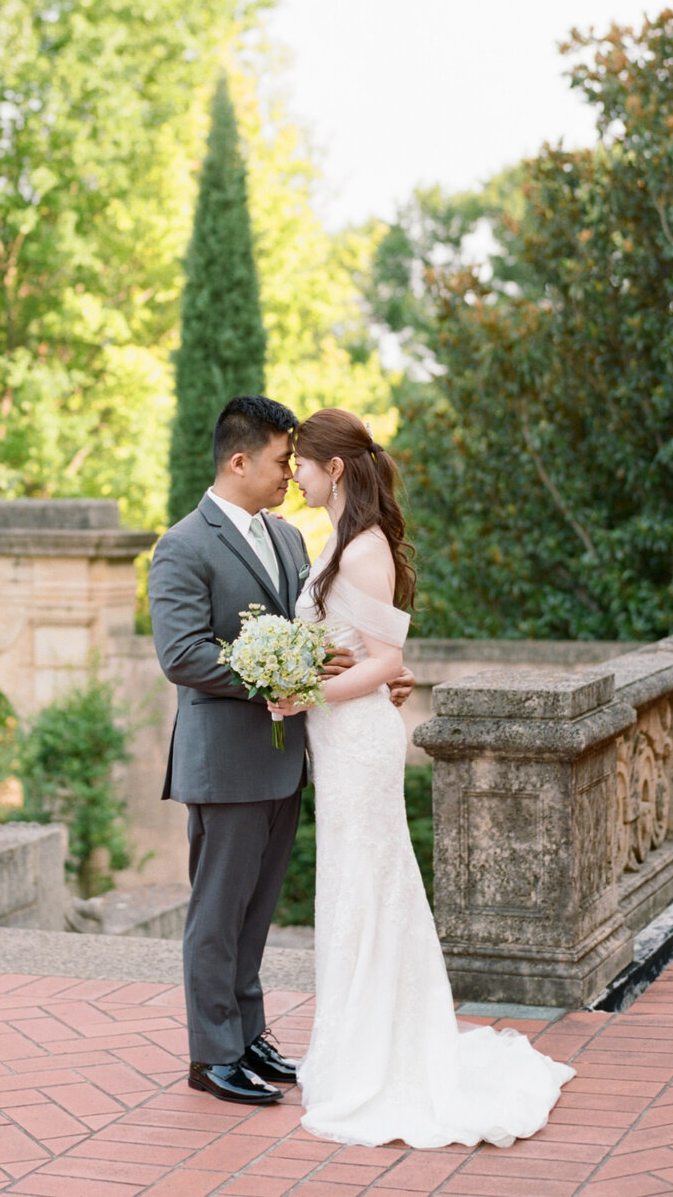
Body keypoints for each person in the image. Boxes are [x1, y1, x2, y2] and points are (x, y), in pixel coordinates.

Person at [278, 407, 574, 1148]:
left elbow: (379, 660)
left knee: (369, 888)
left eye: (303, 466)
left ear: (335, 468)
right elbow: (370, 654)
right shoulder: (343, 544)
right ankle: (355, 1047)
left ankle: (381, 1062)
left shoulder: (364, 548)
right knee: (351, 887)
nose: (296, 477)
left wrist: (305, 691)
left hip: (358, 743)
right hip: (340, 737)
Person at [148, 395, 417, 1106]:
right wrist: (280, 677)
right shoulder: (183, 545)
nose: (288, 474)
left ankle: (248, 1033)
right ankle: (212, 1055)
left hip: (287, 755)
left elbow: (325, 638)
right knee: (217, 913)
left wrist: (360, 678)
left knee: (257, 908)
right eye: (278, 461)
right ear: (239, 461)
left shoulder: (290, 540)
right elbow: (182, 654)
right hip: (225, 760)